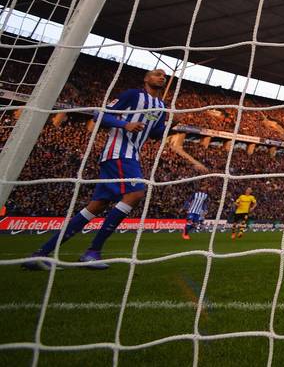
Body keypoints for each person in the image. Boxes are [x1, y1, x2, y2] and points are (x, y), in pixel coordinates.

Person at [23, 69, 172, 270]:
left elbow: (154, 133)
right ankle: (93, 251)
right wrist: (125, 124)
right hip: (118, 153)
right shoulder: (132, 95)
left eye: (164, 76)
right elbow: (99, 115)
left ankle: (40, 254)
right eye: (157, 74)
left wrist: (170, 127)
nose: (162, 77)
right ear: (146, 78)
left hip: (131, 155)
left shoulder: (161, 106)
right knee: (136, 193)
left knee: (96, 206)